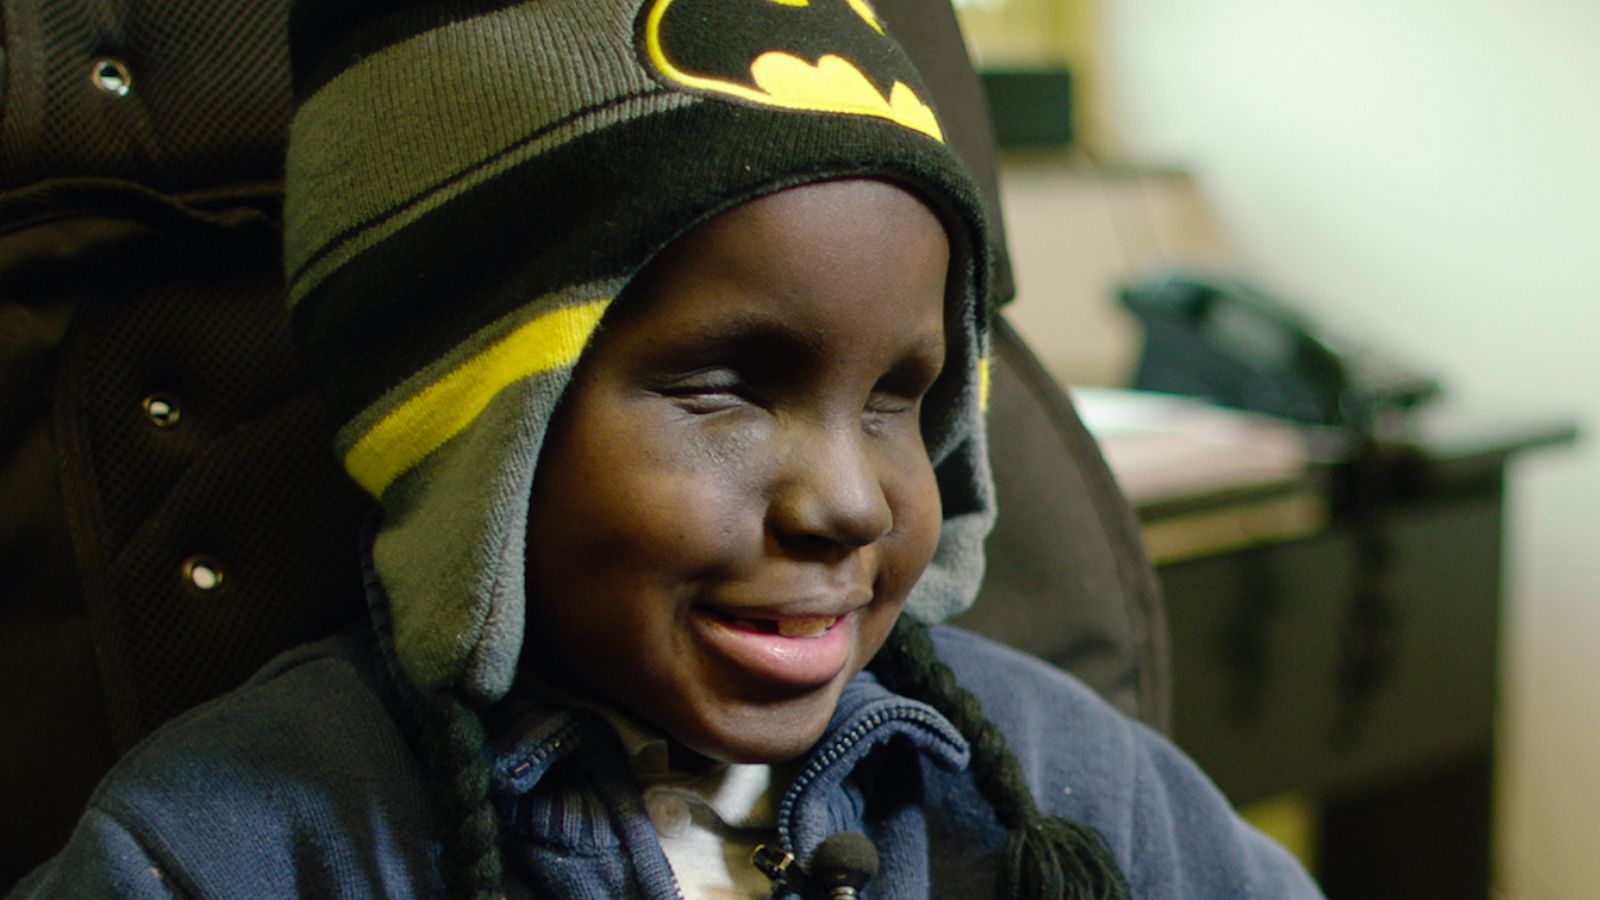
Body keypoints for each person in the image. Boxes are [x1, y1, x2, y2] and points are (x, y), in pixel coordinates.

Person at [13, 0, 1323, 897]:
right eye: (725, 393)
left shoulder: (1062, 782)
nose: (848, 500)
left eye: (898, 399)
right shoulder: (233, 845)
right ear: (471, 419)